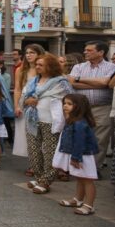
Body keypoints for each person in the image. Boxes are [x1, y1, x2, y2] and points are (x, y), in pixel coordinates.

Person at [22, 54, 72, 194]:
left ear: (50, 66)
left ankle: (46, 181)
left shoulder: (60, 82)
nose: (37, 67)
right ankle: (39, 177)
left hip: (51, 121)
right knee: (33, 150)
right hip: (32, 120)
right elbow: (24, 99)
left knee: (50, 152)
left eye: (41, 64)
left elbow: (70, 99)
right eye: (36, 64)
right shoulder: (33, 81)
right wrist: (28, 101)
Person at [67, 40, 115, 172]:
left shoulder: (112, 67)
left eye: (89, 50)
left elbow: (106, 83)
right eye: (85, 50)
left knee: (100, 139)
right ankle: (79, 166)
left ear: (101, 52)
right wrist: (98, 83)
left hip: (102, 107)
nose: (85, 52)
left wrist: (79, 80)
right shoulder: (78, 67)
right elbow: (71, 83)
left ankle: (94, 169)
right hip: (82, 108)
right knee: (80, 136)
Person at [53, 94, 99, 215]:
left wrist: (76, 158)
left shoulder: (79, 124)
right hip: (78, 155)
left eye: (69, 104)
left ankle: (89, 205)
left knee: (87, 180)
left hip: (83, 156)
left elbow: (79, 142)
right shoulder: (73, 120)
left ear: (79, 107)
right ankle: (78, 200)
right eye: (64, 103)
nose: (65, 106)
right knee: (80, 178)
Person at [13, 44, 45, 175]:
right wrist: (16, 106)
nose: (28, 55)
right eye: (27, 53)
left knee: (42, 134)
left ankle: (44, 164)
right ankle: (33, 164)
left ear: (39, 54)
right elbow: (18, 89)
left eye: (32, 52)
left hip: (41, 102)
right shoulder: (21, 70)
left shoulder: (44, 69)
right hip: (25, 104)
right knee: (28, 135)